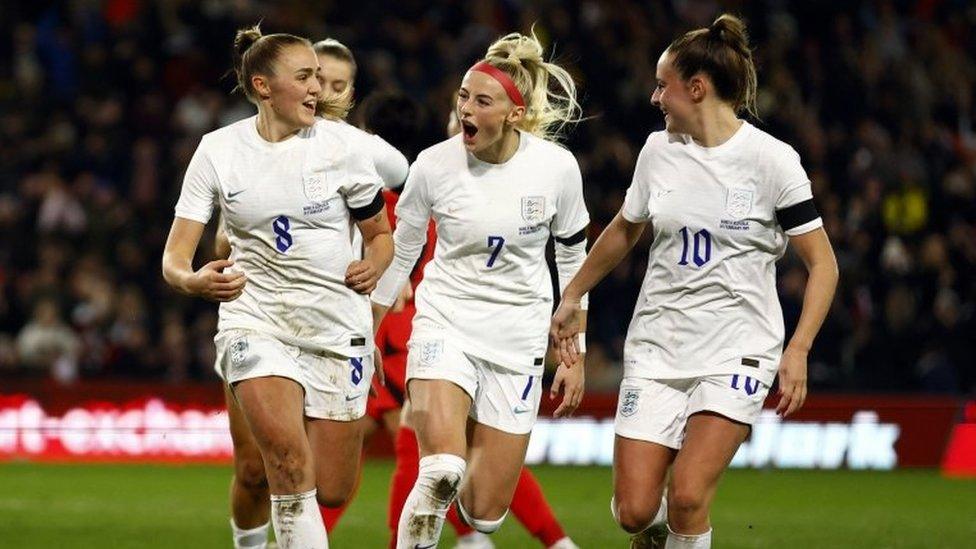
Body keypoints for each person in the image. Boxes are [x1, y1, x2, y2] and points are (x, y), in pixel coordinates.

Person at [549, 14, 839, 549]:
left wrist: (798, 349)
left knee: (687, 495)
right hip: (659, 345)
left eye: (664, 85)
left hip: (738, 349)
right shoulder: (658, 152)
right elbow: (622, 231)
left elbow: (824, 264)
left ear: (697, 89)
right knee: (635, 511)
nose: (655, 97)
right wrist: (572, 293)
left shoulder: (772, 162)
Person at [162, 25, 392, 549]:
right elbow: (175, 257)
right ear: (263, 87)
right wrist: (194, 280)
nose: (319, 89)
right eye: (306, 76)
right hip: (256, 319)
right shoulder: (218, 151)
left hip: (335, 326)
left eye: (320, 76)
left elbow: (381, 236)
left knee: (331, 488)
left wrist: (375, 264)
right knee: (285, 465)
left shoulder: (344, 149)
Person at [370, 30, 590, 549]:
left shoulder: (556, 169)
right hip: (446, 324)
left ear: (514, 113)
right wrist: (367, 329)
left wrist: (574, 351)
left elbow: (574, 260)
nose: (466, 109)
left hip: (517, 338)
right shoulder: (432, 164)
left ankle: (475, 530)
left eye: (481, 101)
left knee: (484, 511)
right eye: (462, 98)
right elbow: (402, 255)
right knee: (441, 467)